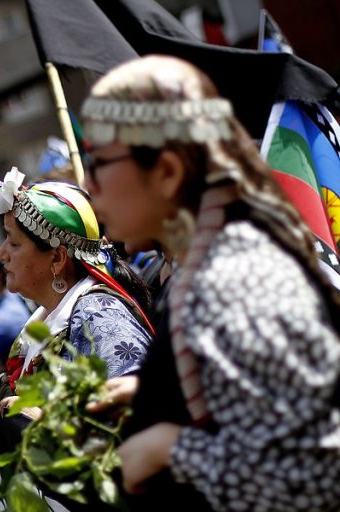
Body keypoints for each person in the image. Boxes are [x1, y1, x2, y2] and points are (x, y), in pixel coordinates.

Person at [80, 55, 340, 511]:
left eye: (99, 162)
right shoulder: (213, 264)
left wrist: (169, 448)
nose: (88, 184)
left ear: (167, 172)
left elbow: (320, 473)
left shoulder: (234, 280)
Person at [0, 172, 153, 415]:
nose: (1, 253)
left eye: (14, 243)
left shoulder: (99, 314)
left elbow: (137, 412)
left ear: (57, 258)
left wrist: (42, 420)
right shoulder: (45, 319)